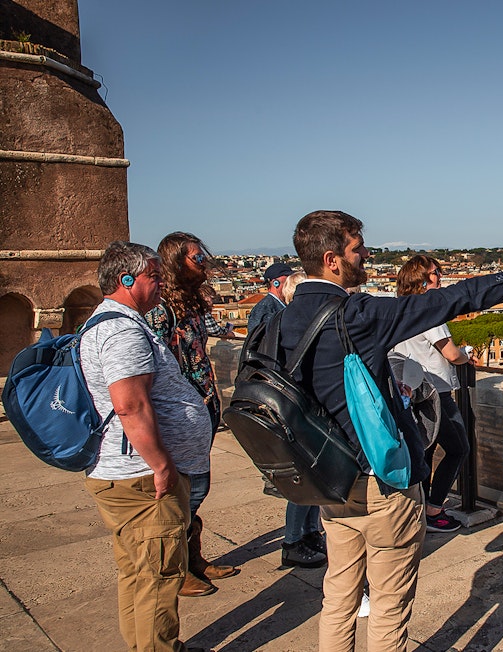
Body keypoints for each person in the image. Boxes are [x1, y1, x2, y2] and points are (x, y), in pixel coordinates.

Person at [280, 210, 503, 652]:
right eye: (356, 248)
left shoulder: (285, 317)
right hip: (378, 481)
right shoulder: (357, 314)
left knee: (340, 596)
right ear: (332, 259)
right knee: (388, 602)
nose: (366, 254)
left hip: (328, 477)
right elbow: (457, 298)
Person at [80, 241, 213, 651]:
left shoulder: (109, 324)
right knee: (158, 577)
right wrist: (162, 467)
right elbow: (130, 404)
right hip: (141, 479)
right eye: (153, 277)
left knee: (138, 575)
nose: (160, 284)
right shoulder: (121, 330)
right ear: (126, 280)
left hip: (127, 474)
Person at [145, 232, 239, 595]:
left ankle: (192, 560)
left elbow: (213, 333)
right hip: (177, 414)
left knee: (197, 488)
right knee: (185, 494)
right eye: (197, 259)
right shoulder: (159, 309)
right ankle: (175, 569)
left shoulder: (191, 303)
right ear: (175, 262)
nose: (204, 264)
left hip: (202, 408)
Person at [246, 263, 327, 570]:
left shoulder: (280, 313)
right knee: (301, 480)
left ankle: (307, 534)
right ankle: (293, 541)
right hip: (287, 406)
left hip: (292, 404)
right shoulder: (272, 313)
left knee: (310, 479)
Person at [392, 255, 473, 533]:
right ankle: (435, 510)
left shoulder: (400, 309)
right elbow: (451, 353)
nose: (440, 276)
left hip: (410, 392)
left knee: (424, 451)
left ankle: (419, 510)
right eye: (435, 272)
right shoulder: (430, 312)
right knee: (459, 449)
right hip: (436, 391)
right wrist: (467, 356)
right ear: (421, 280)